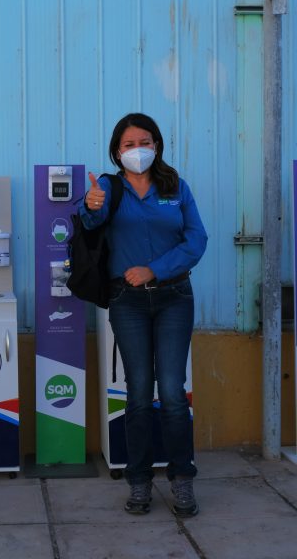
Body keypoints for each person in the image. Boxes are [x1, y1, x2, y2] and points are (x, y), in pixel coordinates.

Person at [79, 112, 208, 518]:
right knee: (137, 392)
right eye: (129, 144)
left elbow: (197, 238)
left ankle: (182, 479)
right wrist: (90, 204)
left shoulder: (175, 187)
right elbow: (91, 224)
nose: (138, 150)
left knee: (172, 391)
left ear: (157, 145)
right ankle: (138, 482)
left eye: (145, 142)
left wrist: (157, 268)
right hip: (128, 302)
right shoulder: (109, 189)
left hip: (174, 297)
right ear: (117, 151)